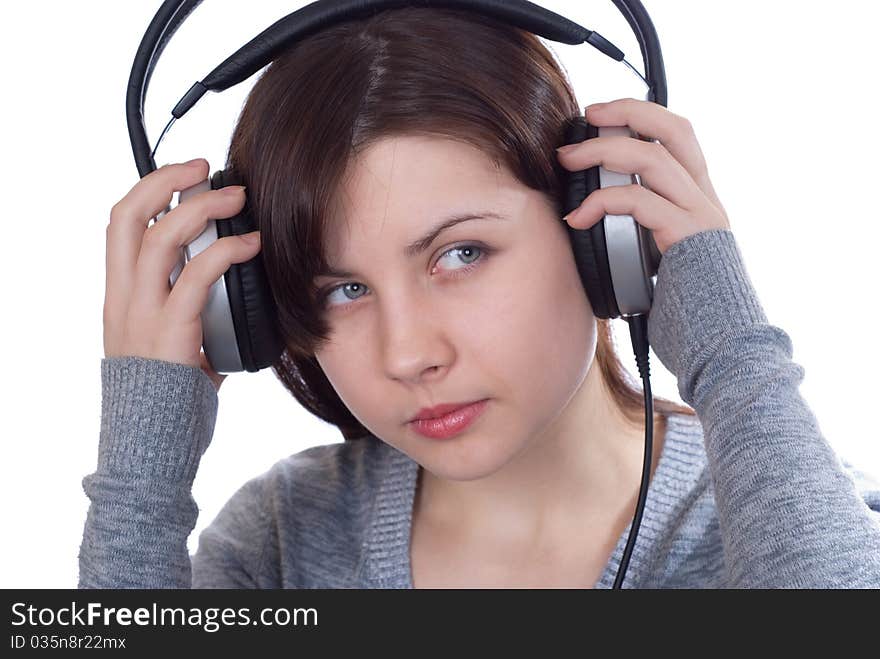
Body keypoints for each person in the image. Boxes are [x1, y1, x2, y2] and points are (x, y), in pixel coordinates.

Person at [80, 7, 880, 588]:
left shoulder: (802, 512)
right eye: (346, 288)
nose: (409, 354)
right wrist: (142, 469)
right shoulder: (283, 542)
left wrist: (730, 350)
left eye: (460, 253)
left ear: (602, 232)